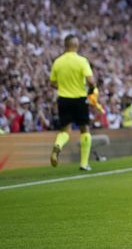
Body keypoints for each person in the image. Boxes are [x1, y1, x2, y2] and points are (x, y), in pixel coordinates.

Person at [49, 34, 97, 171]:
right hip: (79, 99)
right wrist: (92, 89)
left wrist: (63, 87)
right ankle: (84, 163)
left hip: (63, 99)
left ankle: (58, 145)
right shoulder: (82, 61)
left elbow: (52, 83)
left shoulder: (58, 62)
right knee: (85, 130)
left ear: (65, 45)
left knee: (64, 130)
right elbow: (91, 81)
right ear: (76, 45)